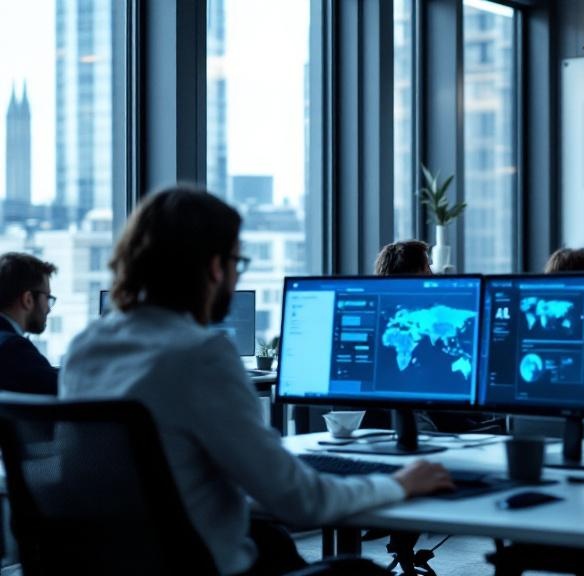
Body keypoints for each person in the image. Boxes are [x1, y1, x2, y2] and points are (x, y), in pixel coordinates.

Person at [60, 187, 453, 576]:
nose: (234, 275)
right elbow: (299, 500)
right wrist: (399, 484)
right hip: (204, 565)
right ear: (215, 267)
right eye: (237, 262)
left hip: (117, 563)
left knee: (271, 541)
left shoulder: (84, 349)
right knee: (361, 573)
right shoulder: (200, 354)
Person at [0, 252, 59, 395]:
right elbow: (64, 387)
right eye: (47, 298)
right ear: (28, 299)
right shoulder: (13, 348)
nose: (49, 309)